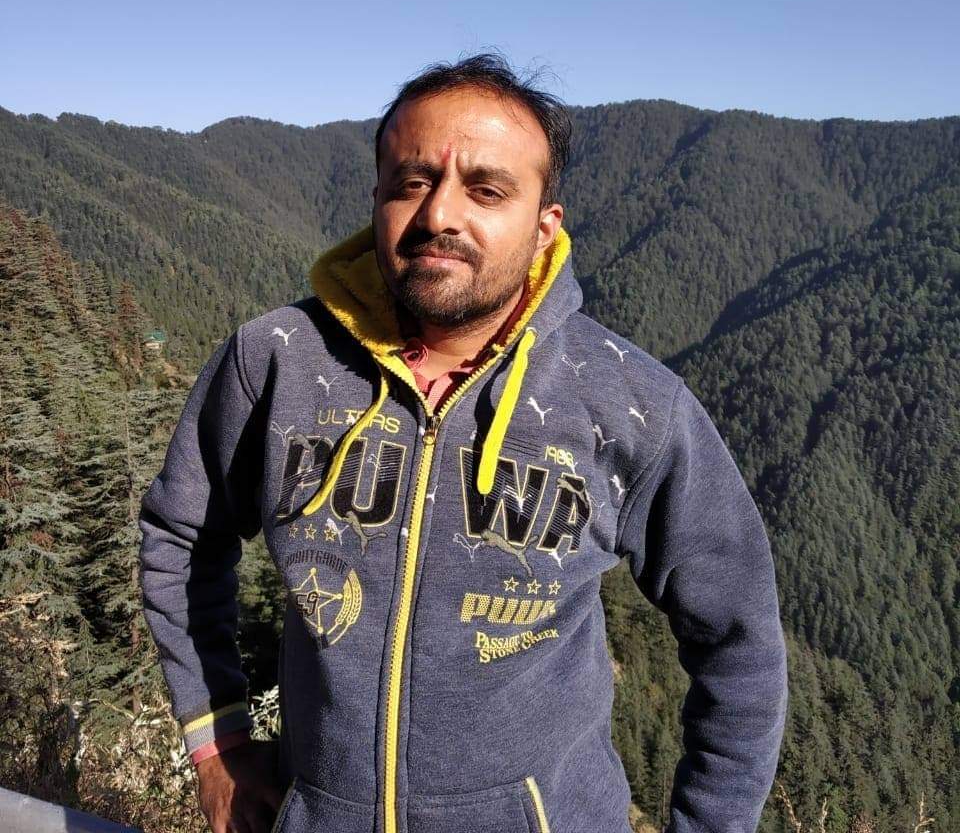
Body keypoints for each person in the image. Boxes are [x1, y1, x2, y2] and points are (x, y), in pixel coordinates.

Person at [139, 52, 788, 833]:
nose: (439, 213)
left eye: (486, 190)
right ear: (377, 199)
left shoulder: (633, 406)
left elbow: (739, 640)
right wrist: (217, 742)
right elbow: (183, 536)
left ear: (544, 227)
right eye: (412, 181)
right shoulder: (275, 363)